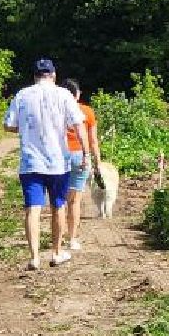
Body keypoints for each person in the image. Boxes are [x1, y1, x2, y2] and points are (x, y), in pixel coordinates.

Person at [3, 59, 94, 270]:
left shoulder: (22, 95)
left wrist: (26, 129)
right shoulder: (63, 95)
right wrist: (86, 153)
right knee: (58, 205)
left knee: (32, 209)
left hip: (30, 162)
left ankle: (34, 257)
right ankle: (56, 252)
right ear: (53, 75)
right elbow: (79, 125)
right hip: (57, 163)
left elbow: (8, 125)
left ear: (34, 76)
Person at [60, 78, 101, 251]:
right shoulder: (87, 112)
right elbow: (93, 141)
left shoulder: (57, 110)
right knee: (75, 201)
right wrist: (97, 162)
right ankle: (72, 239)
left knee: (59, 200)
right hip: (79, 156)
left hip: (60, 156)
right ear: (77, 94)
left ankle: (58, 238)